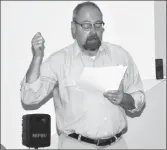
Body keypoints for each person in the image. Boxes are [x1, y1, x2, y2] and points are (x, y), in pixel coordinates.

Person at [20, 1, 146, 149]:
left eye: (98, 25)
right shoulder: (59, 61)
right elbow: (29, 98)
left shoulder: (120, 56)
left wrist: (124, 98)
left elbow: (139, 97)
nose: (93, 31)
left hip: (117, 144)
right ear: (74, 28)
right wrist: (37, 58)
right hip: (76, 145)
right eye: (86, 25)